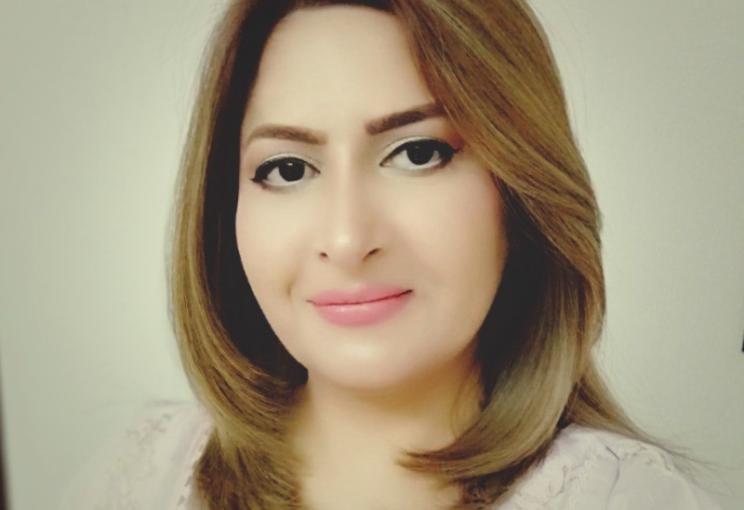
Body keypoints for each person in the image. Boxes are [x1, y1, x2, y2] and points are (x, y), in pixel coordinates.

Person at [59, 1, 723, 509]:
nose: (348, 240)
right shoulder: (139, 476)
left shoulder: (619, 497)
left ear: (519, 192)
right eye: (288, 168)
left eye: (418, 153)